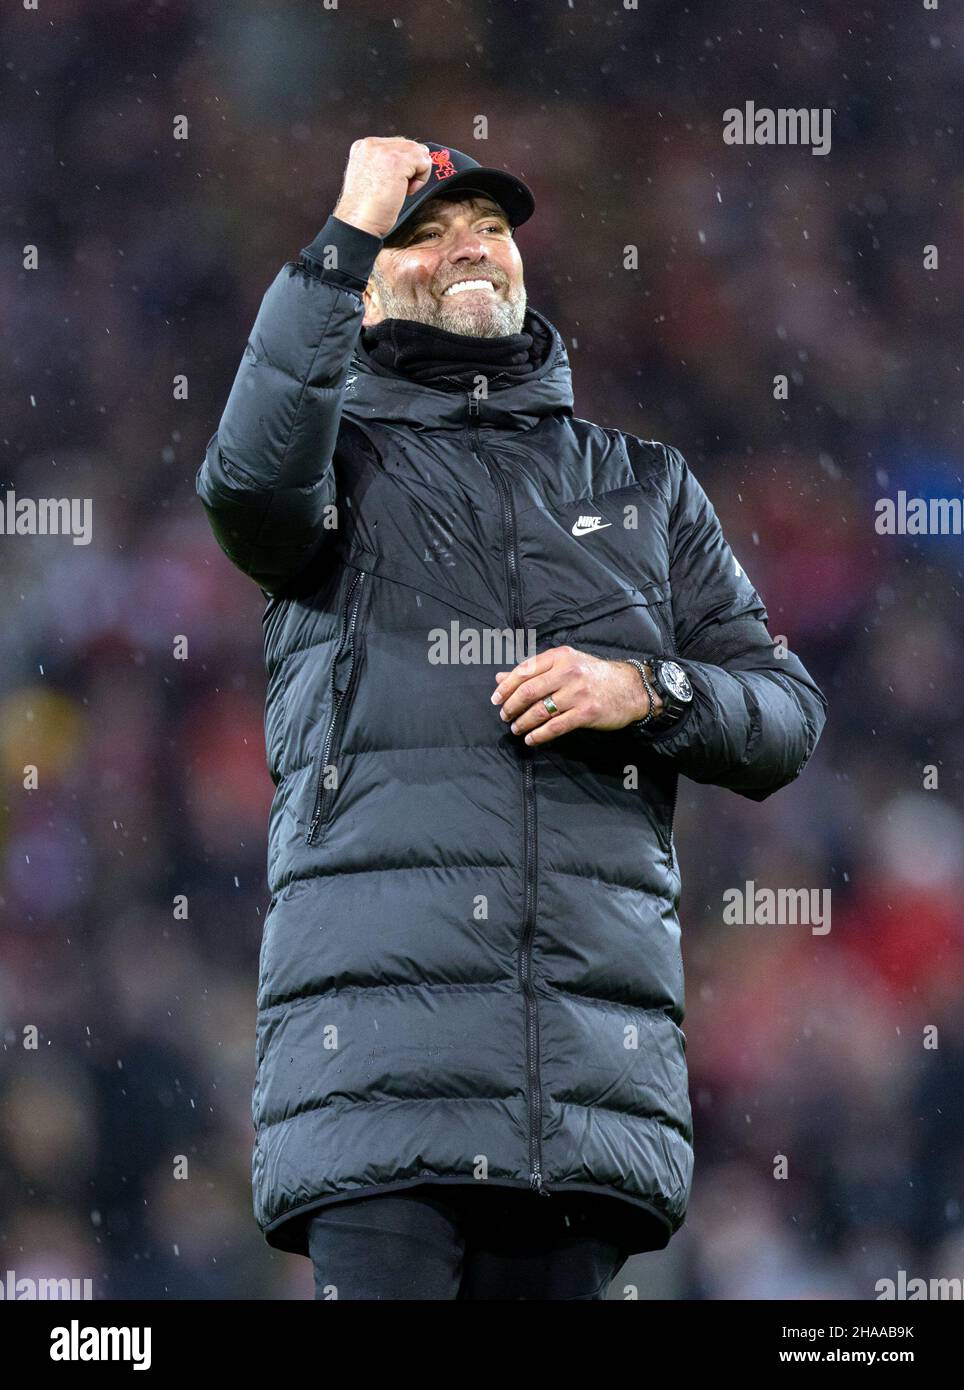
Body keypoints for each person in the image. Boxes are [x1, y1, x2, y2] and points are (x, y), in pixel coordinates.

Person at [196, 136, 827, 1300]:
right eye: (423, 235)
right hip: (376, 1089)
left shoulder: (642, 484)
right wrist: (346, 230)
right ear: (371, 282)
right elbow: (244, 482)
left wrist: (648, 689)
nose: (465, 247)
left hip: (578, 1097)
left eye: (485, 225)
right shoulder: (333, 469)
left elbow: (785, 717)